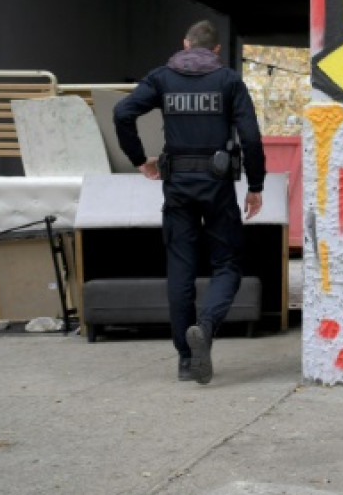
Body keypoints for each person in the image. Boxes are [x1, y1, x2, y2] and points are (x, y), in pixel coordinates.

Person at [113, 20, 266, 385]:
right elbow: (250, 137)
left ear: (184, 44)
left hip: (177, 183)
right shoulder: (228, 81)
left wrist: (138, 159)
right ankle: (207, 326)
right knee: (227, 263)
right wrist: (256, 185)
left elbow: (122, 112)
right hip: (216, 184)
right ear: (215, 50)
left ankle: (185, 359)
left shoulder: (162, 78)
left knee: (180, 266)